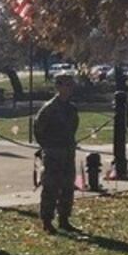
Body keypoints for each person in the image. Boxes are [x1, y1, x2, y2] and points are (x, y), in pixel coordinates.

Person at [35, 73, 81, 234]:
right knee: (51, 187)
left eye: (71, 85)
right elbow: (39, 130)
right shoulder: (49, 108)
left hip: (68, 151)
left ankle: (64, 219)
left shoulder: (71, 108)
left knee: (68, 186)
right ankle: (47, 220)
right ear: (58, 87)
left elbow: (74, 127)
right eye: (66, 85)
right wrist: (48, 146)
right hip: (53, 152)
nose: (69, 89)